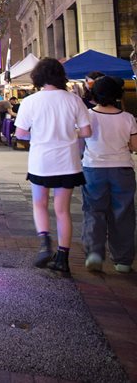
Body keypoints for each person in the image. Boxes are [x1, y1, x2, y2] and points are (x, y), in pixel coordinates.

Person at [14, 57, 92, 275]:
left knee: (39, 204)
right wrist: (68, 133)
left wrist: (39, 134)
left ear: (38, 76)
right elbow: (86, 132)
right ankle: (63, 257)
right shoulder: (74, 100)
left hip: (41, 161)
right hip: (68, 162)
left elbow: (20, 134)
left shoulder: (31, 101)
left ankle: (44, 242)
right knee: (63, 210)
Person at [80, 76, 137, 273]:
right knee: (123, 214)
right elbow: (134, 146)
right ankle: (123, 260)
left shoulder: (87, 116)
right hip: (122, 169)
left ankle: (94, 253)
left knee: (93, 211)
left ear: (94, 95)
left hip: (93, 168)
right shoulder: (128, 118)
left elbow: (80, 141)